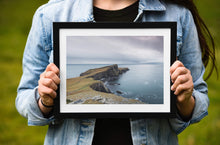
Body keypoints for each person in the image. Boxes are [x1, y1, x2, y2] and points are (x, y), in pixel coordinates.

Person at [16, 0, 217, 145]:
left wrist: (184, 100)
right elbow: (24, 96)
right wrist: (45, 101)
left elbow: (199, 99)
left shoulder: (178, 14)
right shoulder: (50, 14)